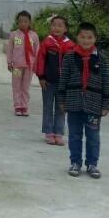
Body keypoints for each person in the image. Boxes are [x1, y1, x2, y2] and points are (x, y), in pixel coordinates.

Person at [57, 22, 109, 179]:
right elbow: (63, 79)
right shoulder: (69, 57)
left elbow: (107, 82)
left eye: (89, 37)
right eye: (82, 37)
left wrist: (106, 104)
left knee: (93, 136)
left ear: (95, 39)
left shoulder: (102, 58)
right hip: (73, 103)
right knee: (74, 135)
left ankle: (92, 164)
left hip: (94, 104)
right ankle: (75, 162)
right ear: (77, 37)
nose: (86, 40)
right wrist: (61, 100)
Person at [35, 15, 75, 145]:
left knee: (61, 108)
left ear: (66, 29)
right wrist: (41, 76)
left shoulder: (70, 45)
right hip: (48, 82)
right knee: (47, 107)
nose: (56, 28)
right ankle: (48, 132)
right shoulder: (47, 43)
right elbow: (40, 60)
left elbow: (74, 65)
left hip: (64, 84)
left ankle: (58, 133)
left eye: (60, 25)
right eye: (53, 25)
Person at [4, 10, 39, 116]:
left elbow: (37, 50)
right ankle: (17, 106)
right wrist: (9, 62)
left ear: (29, 22)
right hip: (17, 66)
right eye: (20, 21)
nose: (23, 23)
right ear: (17, 22)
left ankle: (24, 106)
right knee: (16, 86)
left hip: (29, 66)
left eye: (25, 21)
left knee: (25, 86)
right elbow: (10, 49)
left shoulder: (34, 36)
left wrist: (36, 64)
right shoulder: (14, 35)